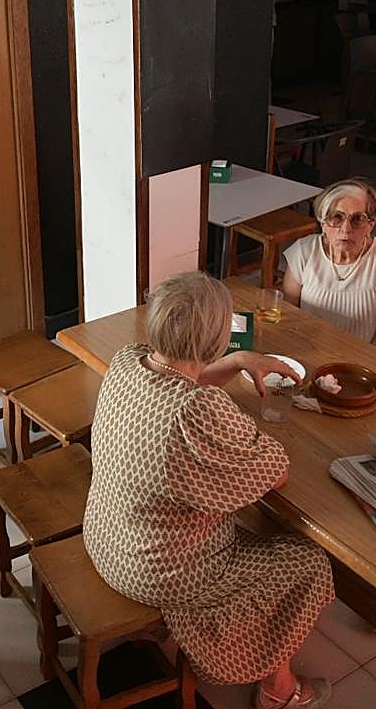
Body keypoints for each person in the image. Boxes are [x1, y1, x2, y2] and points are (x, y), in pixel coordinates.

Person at [84, 271, 335, 709]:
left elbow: (179, 383)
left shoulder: (129, 360)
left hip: (108, 538)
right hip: (158, 571)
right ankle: (279, 689)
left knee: (234, 520)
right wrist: (245, 431)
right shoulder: (197, 410)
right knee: (307, 560)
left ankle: (188, 630)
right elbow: (274, 471)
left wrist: (239, 363)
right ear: (217, 339)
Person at [281, 177, 376, 355]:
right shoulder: (303, 252)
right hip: (312, 351)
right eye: (336, 218)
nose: (346, 229)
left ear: (371, 224)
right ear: (323, 223)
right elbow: (289, 315)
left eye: (357, 219)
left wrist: (352, 367)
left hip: (369, 359)